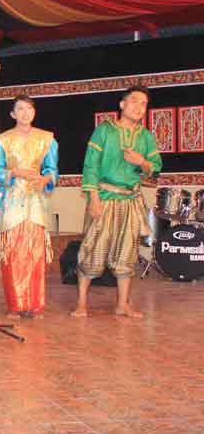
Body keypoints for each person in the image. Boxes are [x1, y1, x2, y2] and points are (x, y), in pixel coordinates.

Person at [73, 86, 162, 319]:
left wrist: (141, 161)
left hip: (131, 201)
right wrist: (93, 199)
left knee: (127, 253)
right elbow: (90, 166)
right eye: (134, 101)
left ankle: (122, 304)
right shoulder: (104, 131)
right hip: (104, 198)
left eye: (144, 104)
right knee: (93, 249)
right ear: (122, 104)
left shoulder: (146, 137)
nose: (139, 107)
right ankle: (81, 303)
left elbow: (155, 169)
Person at [0, 95, 58, 319]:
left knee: (35, 254)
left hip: (36, 201)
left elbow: (52, 170)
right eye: (20, 108)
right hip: (12, 202)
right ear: (13, 114)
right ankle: (15, 305)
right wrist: (15, 172)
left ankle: (35, 305)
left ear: (34, 112)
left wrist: (46, 179)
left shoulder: (47, 139)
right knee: (14, 254)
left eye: (29, 108)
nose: (25, 112)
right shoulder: (3, 141)